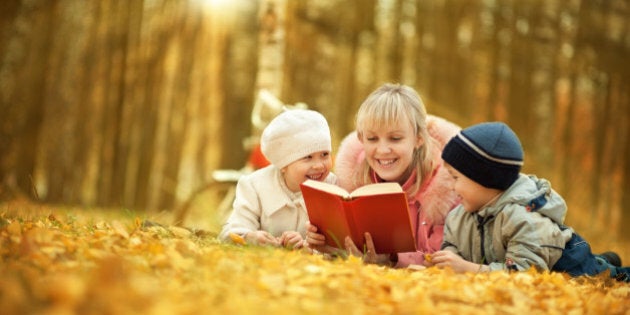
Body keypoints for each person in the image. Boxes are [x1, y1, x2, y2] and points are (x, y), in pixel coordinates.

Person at [426, 121, 629, 281]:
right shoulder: (458, 216)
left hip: (569, 264)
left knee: (612, 277)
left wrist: (468, 269)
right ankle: (605, 258)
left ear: (485, 178)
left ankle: (605, 264)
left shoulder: (525, 218)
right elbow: (452, 245)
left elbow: (524, 275)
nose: (452, 187)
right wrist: (447, 260)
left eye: (455, 178)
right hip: (518, 259)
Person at [305, 83, 461, 267]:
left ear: (418, 138)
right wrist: (331, 245)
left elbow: (443, 260)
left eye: (395, 138)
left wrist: (392, 260)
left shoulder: (448, 187)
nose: (383, 149)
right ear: (361, 139)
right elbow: (351, 251)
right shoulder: (353, 182)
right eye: (372, 139)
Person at [219, 109, 336, 249]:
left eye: (324, 154)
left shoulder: (333, 187)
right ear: (283, 165)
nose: (318, 165)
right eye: (307, 157)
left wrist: (308, 246)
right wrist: (250, 237)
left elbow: (340, 246)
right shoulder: (255, 186)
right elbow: (229, 234)